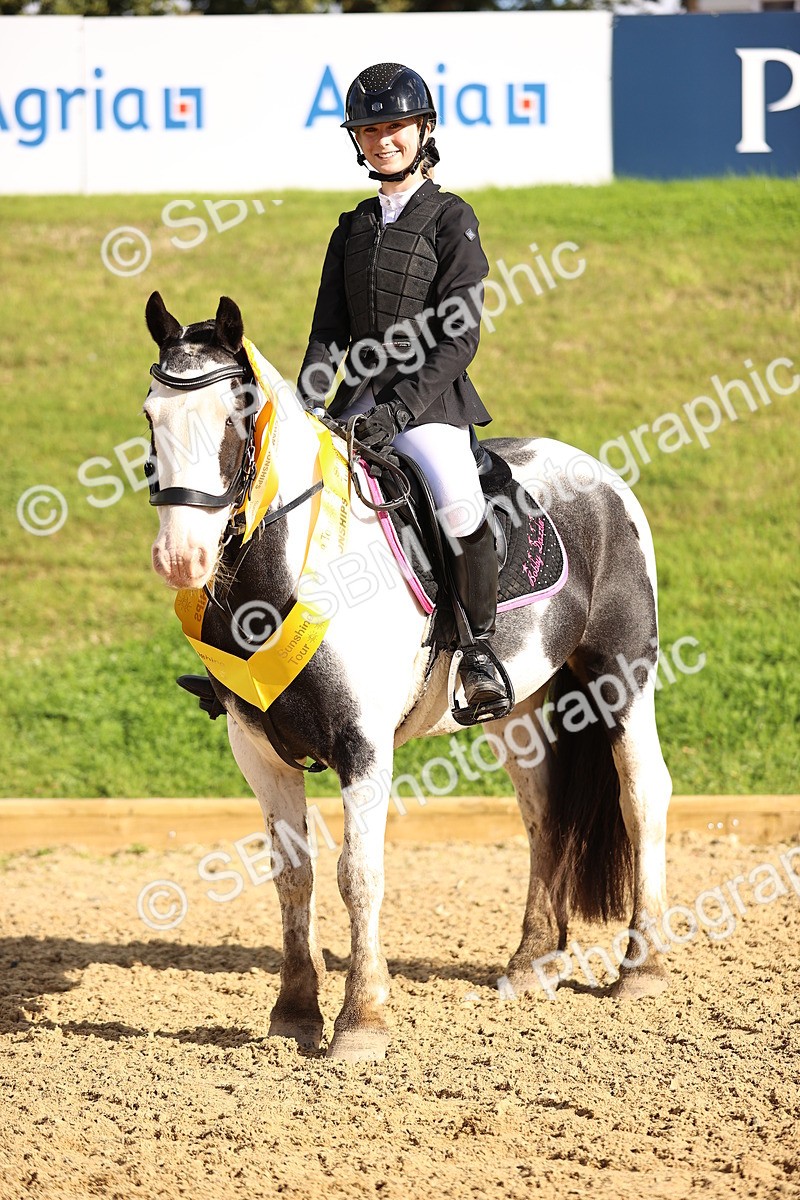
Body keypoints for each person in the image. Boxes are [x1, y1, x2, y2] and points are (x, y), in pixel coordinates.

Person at [297, 62, 509, 716]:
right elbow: (328, 332)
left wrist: (397, 412)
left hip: (428, 407)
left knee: (458, 505)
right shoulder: (351, 226)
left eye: (395, 126)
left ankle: (477, 651)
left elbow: (459, 337)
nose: (382, 139)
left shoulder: (452, 218)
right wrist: (305, 402)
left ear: (423, 131)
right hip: (354, 408)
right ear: (355, 140)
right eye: (369, 129)